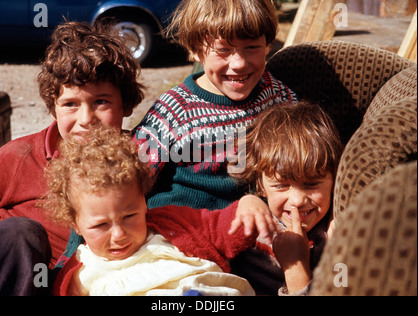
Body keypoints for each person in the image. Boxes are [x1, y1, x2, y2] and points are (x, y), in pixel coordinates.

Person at [0, 21, 144, 295]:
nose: (86, 120)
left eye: (101, 102)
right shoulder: (17, 156)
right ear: (53, 108)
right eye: (70, 104)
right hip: (4, 280)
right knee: (20, 233)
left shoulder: (136, 163)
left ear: (126, 104)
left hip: (76, 285)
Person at [45, 125, 261, 296]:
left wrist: (248, 207)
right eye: (101, 225)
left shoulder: (171, 225)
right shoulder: (80, 274)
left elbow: (223, 228)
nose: (119, 234)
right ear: (76, 225)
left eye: (129, 216)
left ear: (143, 202)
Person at [133, 0, 297, 212]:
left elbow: (307, 156)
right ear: (195, 50)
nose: (239, 63)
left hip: (251, 226)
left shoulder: (275, 95)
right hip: (180, 230)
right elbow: (124, 181)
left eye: (252, 48)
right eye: (223, 50)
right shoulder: (173, 110)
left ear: (267, 46)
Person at [229, 101, 344, 295]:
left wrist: (296, 270)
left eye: (312, 184)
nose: (297, 201)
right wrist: (247, 202)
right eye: (281, 186)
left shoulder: (337, 233)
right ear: (260, 185)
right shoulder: (249, 229)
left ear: (335, 177)